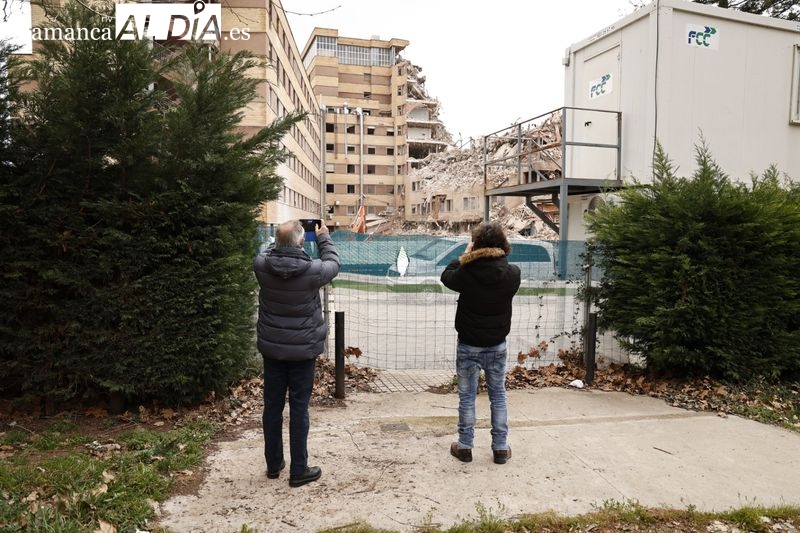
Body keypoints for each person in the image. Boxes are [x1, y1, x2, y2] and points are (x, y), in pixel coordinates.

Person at [253, 219, 340, 487]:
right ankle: (298, 469)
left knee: (273, 407)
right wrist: (323, 237)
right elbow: (334, 264)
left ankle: (273, 463)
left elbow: (269, 254)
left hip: (273, 350)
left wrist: (281, 243)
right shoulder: (313, 271)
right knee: (299, 408)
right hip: (303, 351)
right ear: (302, 242)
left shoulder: (261, 265)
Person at [440, 221, 521, 465]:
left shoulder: (466, 273)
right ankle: (500, 447)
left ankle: (465, 446)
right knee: (498, 395)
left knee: (467, 397)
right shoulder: (513, 273)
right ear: (503, 244)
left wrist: (465, 256)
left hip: (468, 345)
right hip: (497, 344)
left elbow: (446, 276)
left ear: (476, 245)